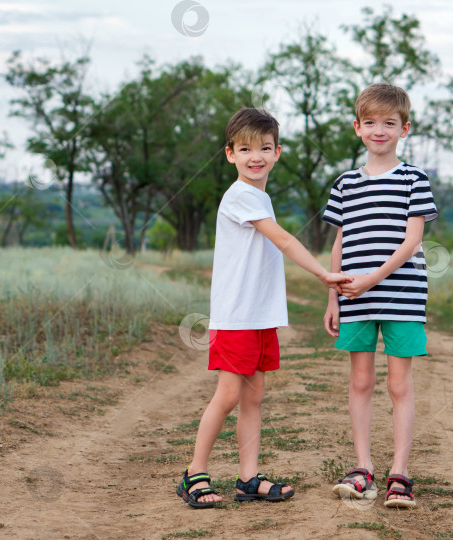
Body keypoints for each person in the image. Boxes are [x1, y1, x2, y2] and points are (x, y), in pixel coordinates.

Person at [176, 107, 352, 509]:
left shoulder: (259, 195)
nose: (255, 156)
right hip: (237, 317)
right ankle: (194, 473)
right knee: (227, 396)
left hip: (258, 318)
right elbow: (285, 241)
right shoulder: (240, 195)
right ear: (229, 154)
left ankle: (247, 477)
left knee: (254, 398)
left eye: (264, 148)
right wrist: (324, 275)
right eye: (245, 148)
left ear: (277, 152)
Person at [322, 83, 439, 509]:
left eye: (389, 123)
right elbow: (340, 242)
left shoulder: (414, 179)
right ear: (357, 128)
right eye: (370, 122)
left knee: (398, 384)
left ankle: (400, 474)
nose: (379, 130)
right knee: (360, 382)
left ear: (404, 128)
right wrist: (333, 296)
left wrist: (372, 278)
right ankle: (362, 469)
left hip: (402, 295)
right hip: (355, 298)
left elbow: (411, 242)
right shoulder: (345, 184)